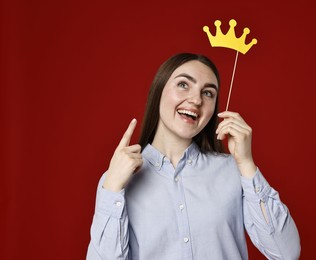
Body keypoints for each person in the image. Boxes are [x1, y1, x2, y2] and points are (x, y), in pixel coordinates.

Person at [87, 53, 300, 260]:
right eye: (183, 85)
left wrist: (246, 163)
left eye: (208, 93)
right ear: (159, 90)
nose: (196, 99)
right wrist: (112, 189)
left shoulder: (233, 171)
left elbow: (286, 253)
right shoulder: (116, 181)